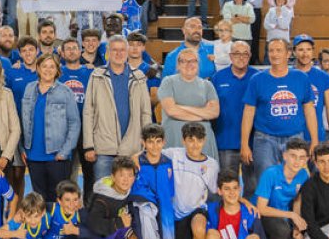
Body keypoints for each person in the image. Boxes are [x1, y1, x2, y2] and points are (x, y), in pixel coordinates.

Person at [241, 38, 318, 177]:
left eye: (279, 50)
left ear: (288, 54)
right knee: (265, 181)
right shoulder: (257, 79)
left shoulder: (301, 78)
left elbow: (309, 110)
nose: (274, 54)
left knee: (293, 183)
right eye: (271, 51)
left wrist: (314, 140)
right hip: (265, 139)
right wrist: (244, 144)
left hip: (295, 138)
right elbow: (248, 113)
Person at [83, 35, 153, 180]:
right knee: (104, 194)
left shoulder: (139, 77)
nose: (119, 54)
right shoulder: (97, 76)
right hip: (103, 148)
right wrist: (89, 145)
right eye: (115, 50)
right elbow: (88, 112)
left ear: (127, 52)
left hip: (131, 149)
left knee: (130, 195)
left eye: (122, 50)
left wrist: (146, 143)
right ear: (108, 52)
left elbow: (146, 113)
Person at [164, 122, 219, 239]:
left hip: (197, 210)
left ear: (204, 141)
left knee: (199, 228)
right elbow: (149, 153)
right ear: (183, 141)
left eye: (199, 140)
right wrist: (135, 159)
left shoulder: (211, 164)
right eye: (191, 140)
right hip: (176, 216)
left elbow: (218, 191)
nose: (195, 145)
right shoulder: (174, 154)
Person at [21, 54, 81, 203]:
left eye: (52, 66)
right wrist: (22, 148)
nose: (48, 70)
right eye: (44, 66)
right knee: (39, 199)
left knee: (57, 199)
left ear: (57, 70)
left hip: (57, 156)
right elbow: (22, 119)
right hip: (33, 155)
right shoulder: (29, 88)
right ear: (38, 68)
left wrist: (65, 151)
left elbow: (74, 123)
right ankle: (43, 226)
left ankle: (57, 226)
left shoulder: (65, 91)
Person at [73, 156, 138, 239]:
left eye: (130, 175)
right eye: (122, 175)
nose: (126, 179)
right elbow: (94, 224)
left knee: (140, 231)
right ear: (113, 177)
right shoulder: (101, 199)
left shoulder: (129, 190)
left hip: (118, 225)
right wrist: (119, 223)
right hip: (100, 231)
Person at [254, 138, 311, 239]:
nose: (297, 161)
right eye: (293, 156)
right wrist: (291, 215)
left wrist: (297, 227)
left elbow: (297, 199)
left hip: (284, 222)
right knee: (282, 229)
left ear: (306, 160)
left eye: (301, 157)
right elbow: (261, 208)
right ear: (285, 156)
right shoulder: (271, 173)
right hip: (263, 219)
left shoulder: (304, 175)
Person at [158, 48, 221, 159]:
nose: (189, 64)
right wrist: (202, 115)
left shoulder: (207, 85)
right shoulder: (168, 82)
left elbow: (214, 112)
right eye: (184, 61)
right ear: (178, 65)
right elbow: (171, 111)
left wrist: (180, 107)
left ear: (198, 64)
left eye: (193, 61)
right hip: (175, 138)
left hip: (202, 140)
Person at [212, 41, 257, 194]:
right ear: (230, 56)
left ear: (250, 56)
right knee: (227, 186)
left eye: (245, 54)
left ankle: (251, 217)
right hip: (225, 141)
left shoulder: (257, 77)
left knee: (253, 186)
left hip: (252, 143)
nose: (241, 57)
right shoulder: (218, 78)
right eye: (237, 53)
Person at [291, 35, 329, 151]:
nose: (305, 53)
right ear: (294, 52)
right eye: (301, 49)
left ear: (313, 52)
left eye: (308, 49)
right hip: (291, 135)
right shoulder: (287, 75)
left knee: (316, 169)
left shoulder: (324, 77)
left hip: (316, 136)